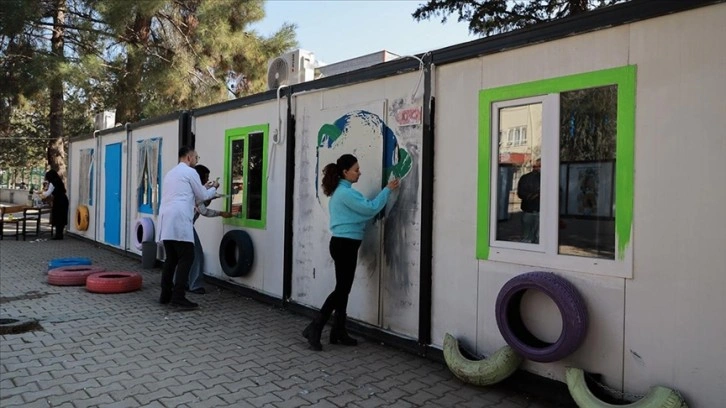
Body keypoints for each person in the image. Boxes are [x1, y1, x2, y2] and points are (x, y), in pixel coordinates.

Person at [302, 154, 400, 351]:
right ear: (345, 172)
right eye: (356, 169)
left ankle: (338, 331)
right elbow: (370, 208)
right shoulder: (345, 194)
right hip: (344, 245)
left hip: (344, 244)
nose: (359, 172)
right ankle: (315, 327)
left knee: (343, 288)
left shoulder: (343, 191)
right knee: (341, 290)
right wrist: (387, 190)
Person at [157, 146, 218, 309]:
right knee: (187, 257)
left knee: (171, 259)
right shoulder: (191, 172)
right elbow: (203, 196)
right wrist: (214, 188)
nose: (197, 161)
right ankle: (178, 297)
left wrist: (206, 189)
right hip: (179, 219)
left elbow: (187, 193)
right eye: (196, 158)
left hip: (165, 219)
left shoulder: (171, 173)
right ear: (189, 158)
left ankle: (165, 295)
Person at [174, 164, 232, 294]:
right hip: (185, 226)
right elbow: (203, 210)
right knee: (196, 254)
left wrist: (210, 190)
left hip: (178, 225)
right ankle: (194, 285)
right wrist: (221, 213)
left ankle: (180, 283)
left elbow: (203, 197)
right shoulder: (195, 190)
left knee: (183, 256)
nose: (207, 179)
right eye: (206, 177)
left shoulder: (190, 187)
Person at [37, 170, 68, 240]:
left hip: (59, 201)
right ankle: (60, 234)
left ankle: (58, 235)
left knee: (57, 217)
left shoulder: (52, 183)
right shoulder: (59, 181)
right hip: (64, 200)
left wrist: (40, 193)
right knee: (61, 217)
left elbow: (48, 193)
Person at [517, 158, 541, 243]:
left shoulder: (525, 177)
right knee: (537, 237)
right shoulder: (546, 178)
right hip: (535, 209)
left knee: (527, 236)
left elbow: (520, 193)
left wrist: (531, 196)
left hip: (529, 209)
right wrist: (536, 195)